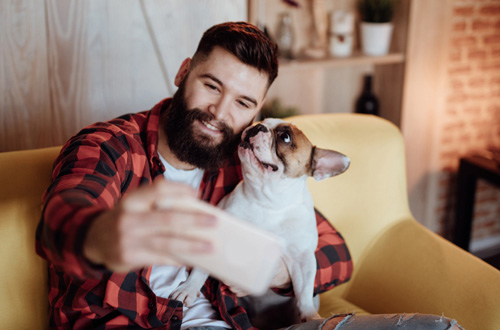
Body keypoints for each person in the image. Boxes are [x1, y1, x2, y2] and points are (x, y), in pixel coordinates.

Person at [36, 21, 463, 330]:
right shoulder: (109, 146)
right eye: (211, 86)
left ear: (256, 113)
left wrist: (274, 271)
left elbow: (334, 252)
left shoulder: (243, 164)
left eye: (242, 103)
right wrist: (105, 235)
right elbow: (60, 223)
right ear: (183, 73)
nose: (220, 114)